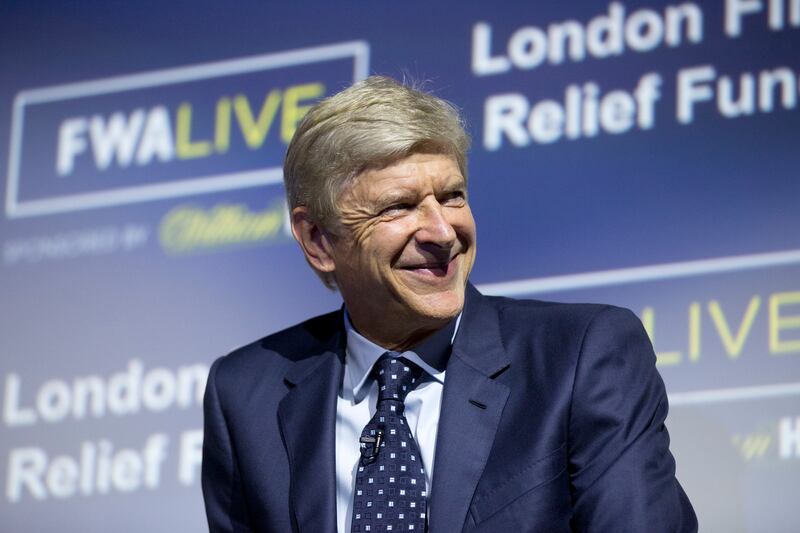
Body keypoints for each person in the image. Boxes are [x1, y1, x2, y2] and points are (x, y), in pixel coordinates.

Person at [201, 75, 697, 533]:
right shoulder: (247, 394)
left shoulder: (582, 356)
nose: (443, 232)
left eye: (453, 196)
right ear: (318, 241)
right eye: (399, 206)